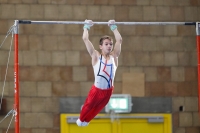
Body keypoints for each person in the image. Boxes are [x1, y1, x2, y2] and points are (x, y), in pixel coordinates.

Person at [76, 19, 122, 126]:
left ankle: (86, 121)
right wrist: (86, 27)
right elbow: (85, 39)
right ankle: (81, 119)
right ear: (101, 46)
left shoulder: (114, 57)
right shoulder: (96, 56)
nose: (109, 46)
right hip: (96, 90)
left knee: (97, 110)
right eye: (106, 44)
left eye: (110, 44)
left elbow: (119, 41)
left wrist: (114, 28)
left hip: (108, 91)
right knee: (88, 107)